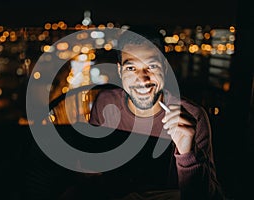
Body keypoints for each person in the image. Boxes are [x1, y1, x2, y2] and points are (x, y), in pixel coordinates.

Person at [88, 28, 225, 200]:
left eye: (152, 66)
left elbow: (210, 195)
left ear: (165, 68)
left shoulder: (191, 116)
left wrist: (187, 153)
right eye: (131, 67)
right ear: (120, 71)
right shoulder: (105, 102)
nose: (143, 79)